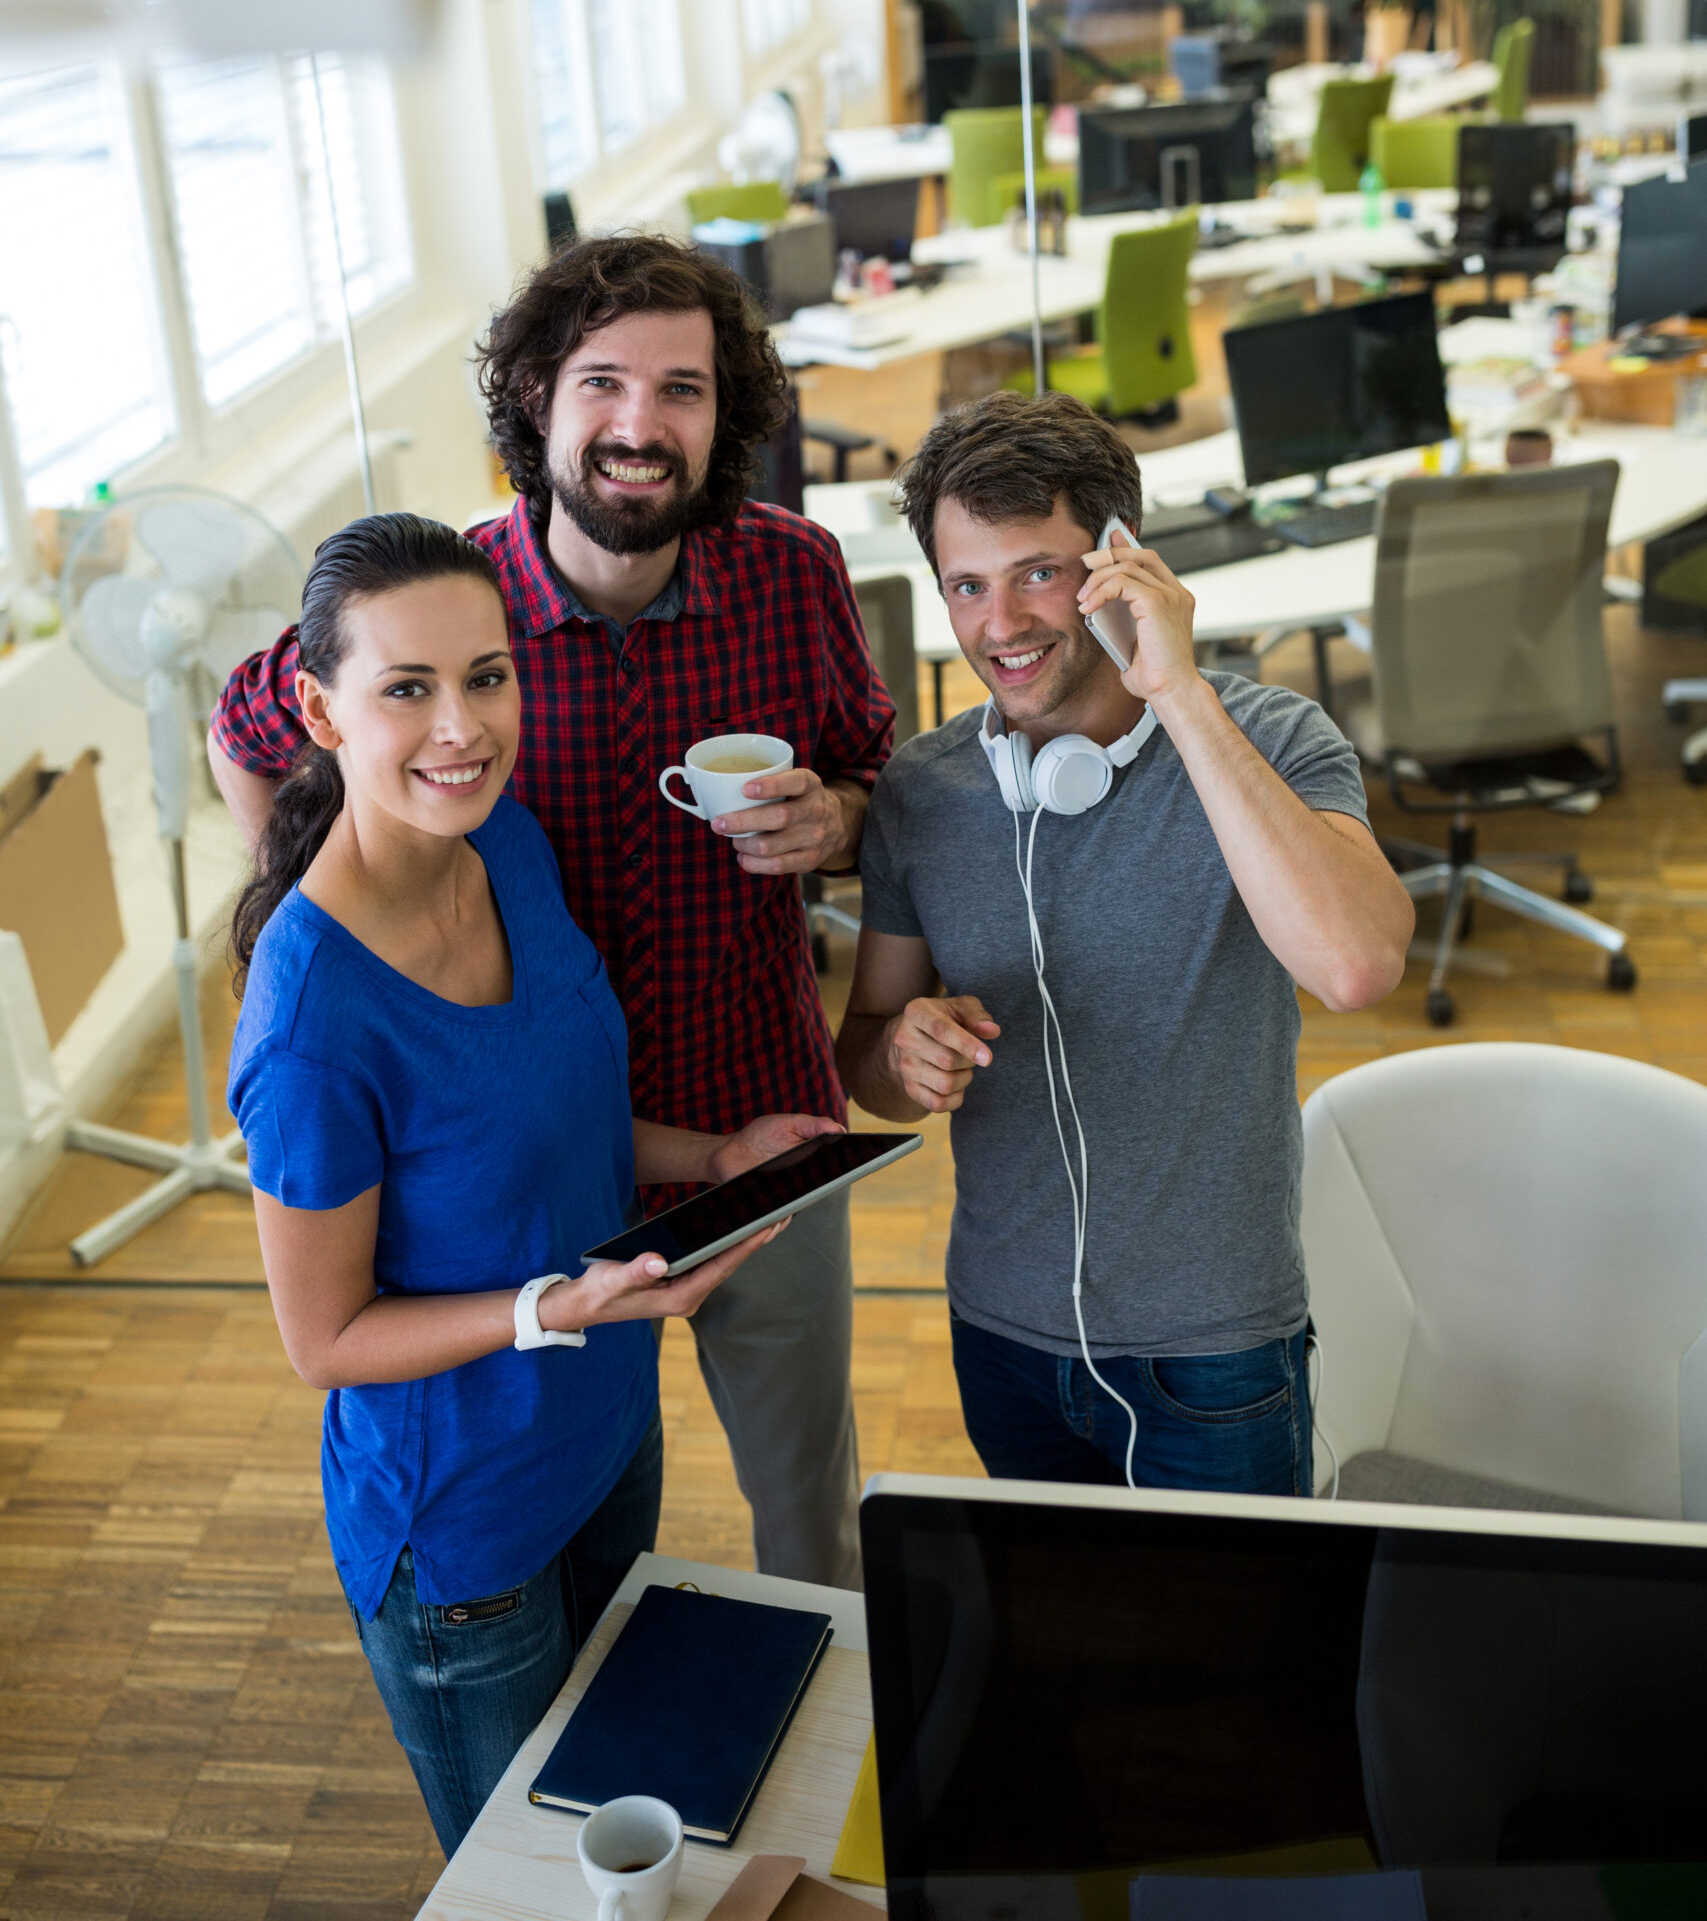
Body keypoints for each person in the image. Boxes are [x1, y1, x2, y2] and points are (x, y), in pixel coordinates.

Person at [211, 235, 894, 1590]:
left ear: (726, 413)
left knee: (808, 1514)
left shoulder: (794, 572)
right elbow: (250, 720)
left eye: (682, 390)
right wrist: (332, 943)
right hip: (527, 1168)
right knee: (565, 1513)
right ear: (536, 398)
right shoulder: (444, 608)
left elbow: (869, 763)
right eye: (601, 382)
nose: (639, 425)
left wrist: (840, 819)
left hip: (754, 1131)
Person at [227, 513, 842, 1855]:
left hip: (606, 1434)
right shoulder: (312, 1020)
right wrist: (550, 1311)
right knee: (533, 1882)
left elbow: (556, 1115)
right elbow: (321, 1340)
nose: (463, 728)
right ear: (321, 715)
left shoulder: (506, 847)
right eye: (408, 690)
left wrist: (712, 1158)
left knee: (625, 1824)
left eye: (487, 677)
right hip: (465, 1533)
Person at [836, 392, 1414, 1496]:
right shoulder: (925, 790)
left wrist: (1179, 693)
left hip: (1214, 1348)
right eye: (966, 585)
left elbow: (1356, 964)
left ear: (1119, 563)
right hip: (999, 1332)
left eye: (1036, 573)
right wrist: (899, 1056)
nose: (998, 623)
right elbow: (867, 1058)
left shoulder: (1272, 740)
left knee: (1242, 1662)